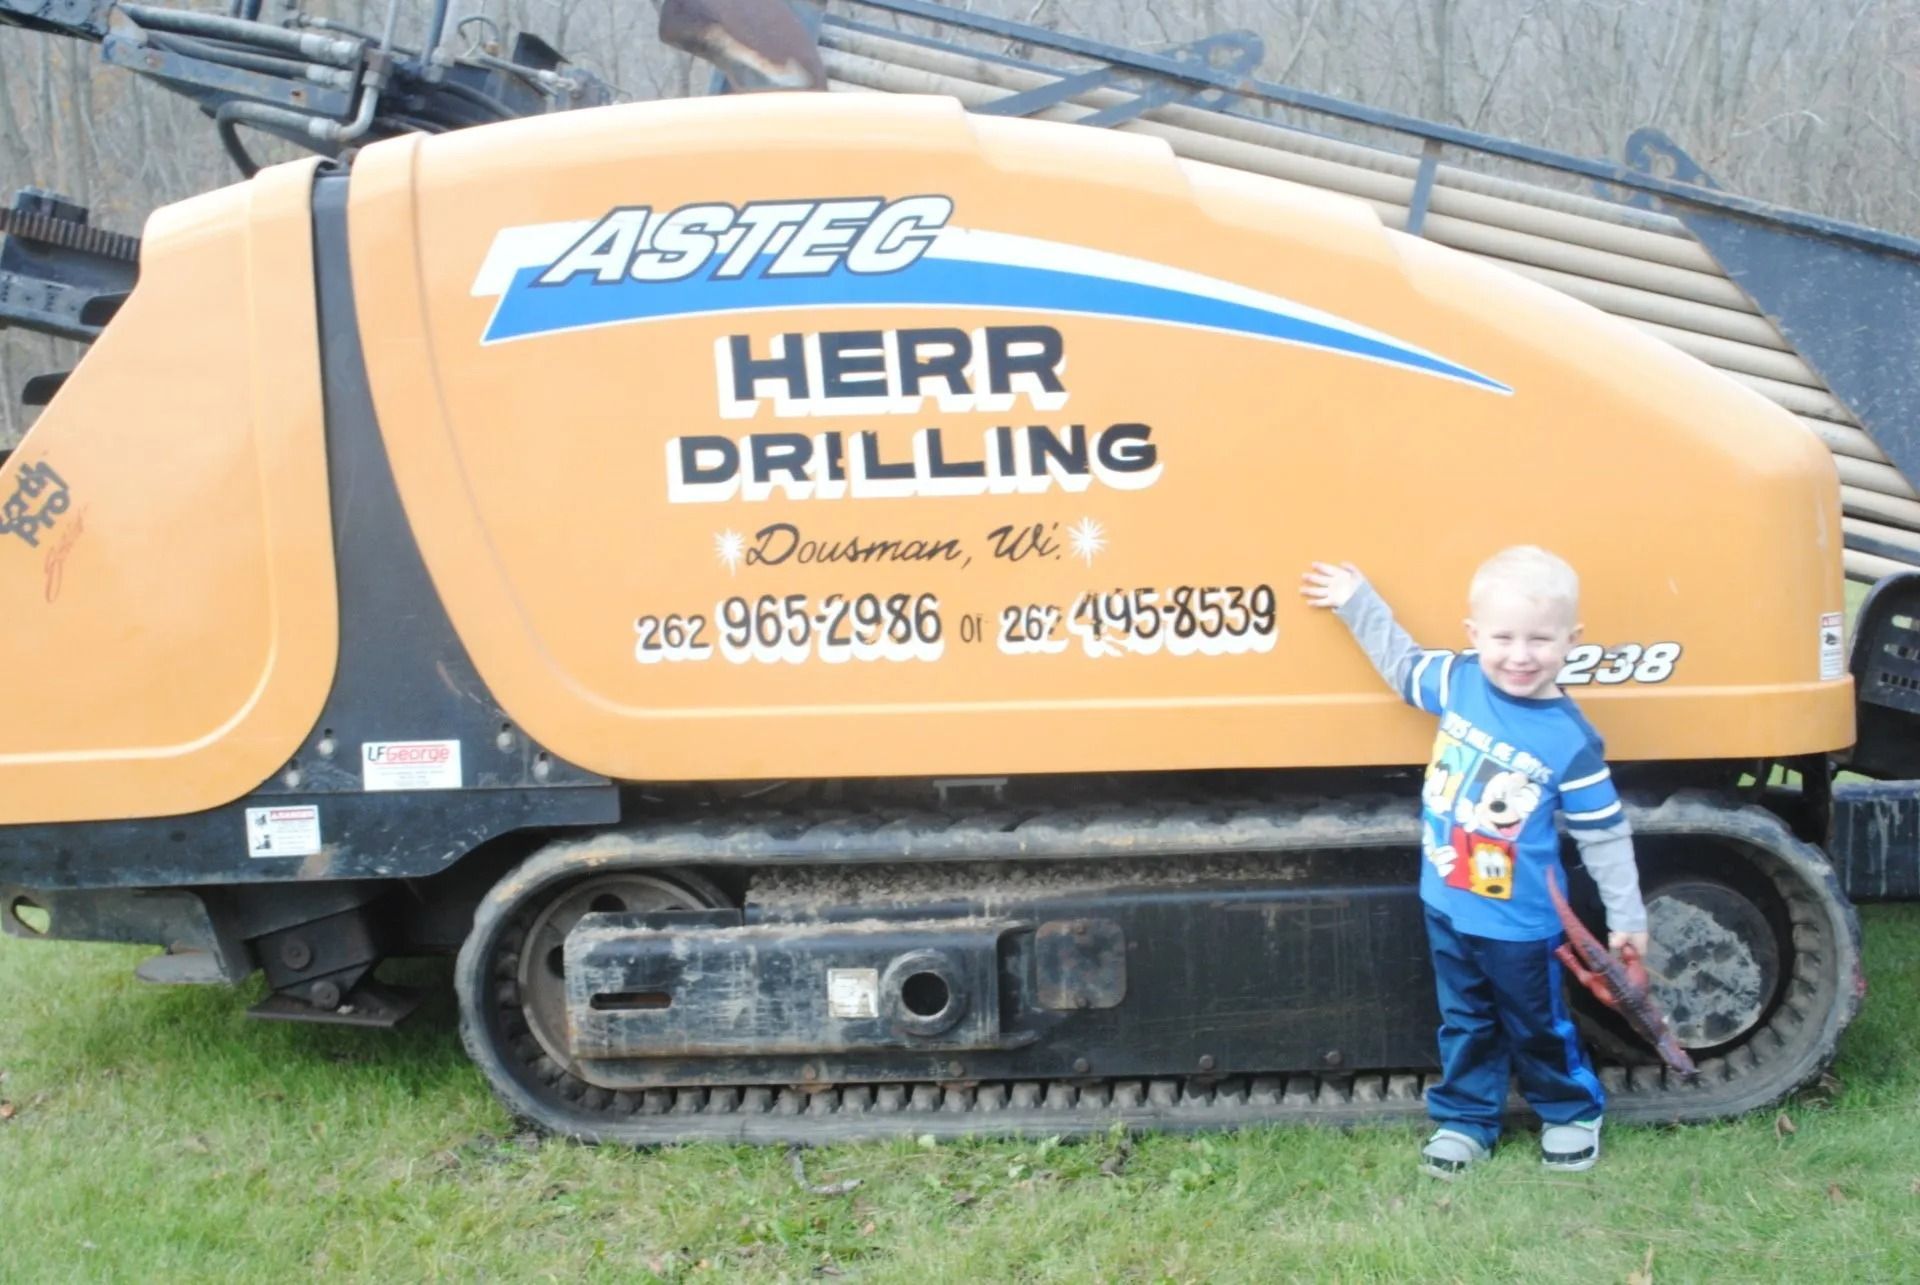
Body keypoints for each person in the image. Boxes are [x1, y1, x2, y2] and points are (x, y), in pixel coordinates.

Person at [1300, 546, 1650, 1177]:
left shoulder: (1570, 740)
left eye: (1540, 639)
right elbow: (1402, 666)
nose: (1520, 655)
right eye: (1504, 637)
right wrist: (1358, 602)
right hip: (1447, 903)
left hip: (1523, 924)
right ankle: (1466, 1119)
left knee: (1538, 1024)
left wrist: (1627, 915)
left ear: (1572, 640)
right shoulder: (1459, 680)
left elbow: (1604, 834)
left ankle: (1570, 1111)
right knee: (1465, 1021)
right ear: (1474, 636)